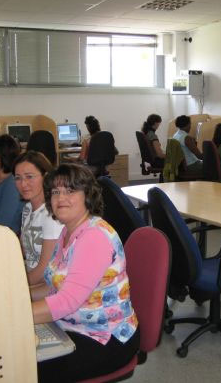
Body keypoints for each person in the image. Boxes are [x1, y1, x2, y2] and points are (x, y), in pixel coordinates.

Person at [31, 163, 139, 382]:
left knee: (24, 367)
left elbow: (66, 301)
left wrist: (14, 315)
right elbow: (53, 287)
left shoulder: (94, 236)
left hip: (105, 337)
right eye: (55, 192)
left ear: (87, 196)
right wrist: (19, 297)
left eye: (70, 190)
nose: (61, 198)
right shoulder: (67, 232)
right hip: (74, 327)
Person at [13, 151, 63, 285]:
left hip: (49, 283)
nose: (23, 184)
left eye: (29, 177)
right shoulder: (27, 208)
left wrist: (17, 285)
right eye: (18, 178)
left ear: (45, 177)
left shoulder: (52, 215)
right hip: (30, 276)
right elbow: (24, 250)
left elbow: (45, 271)